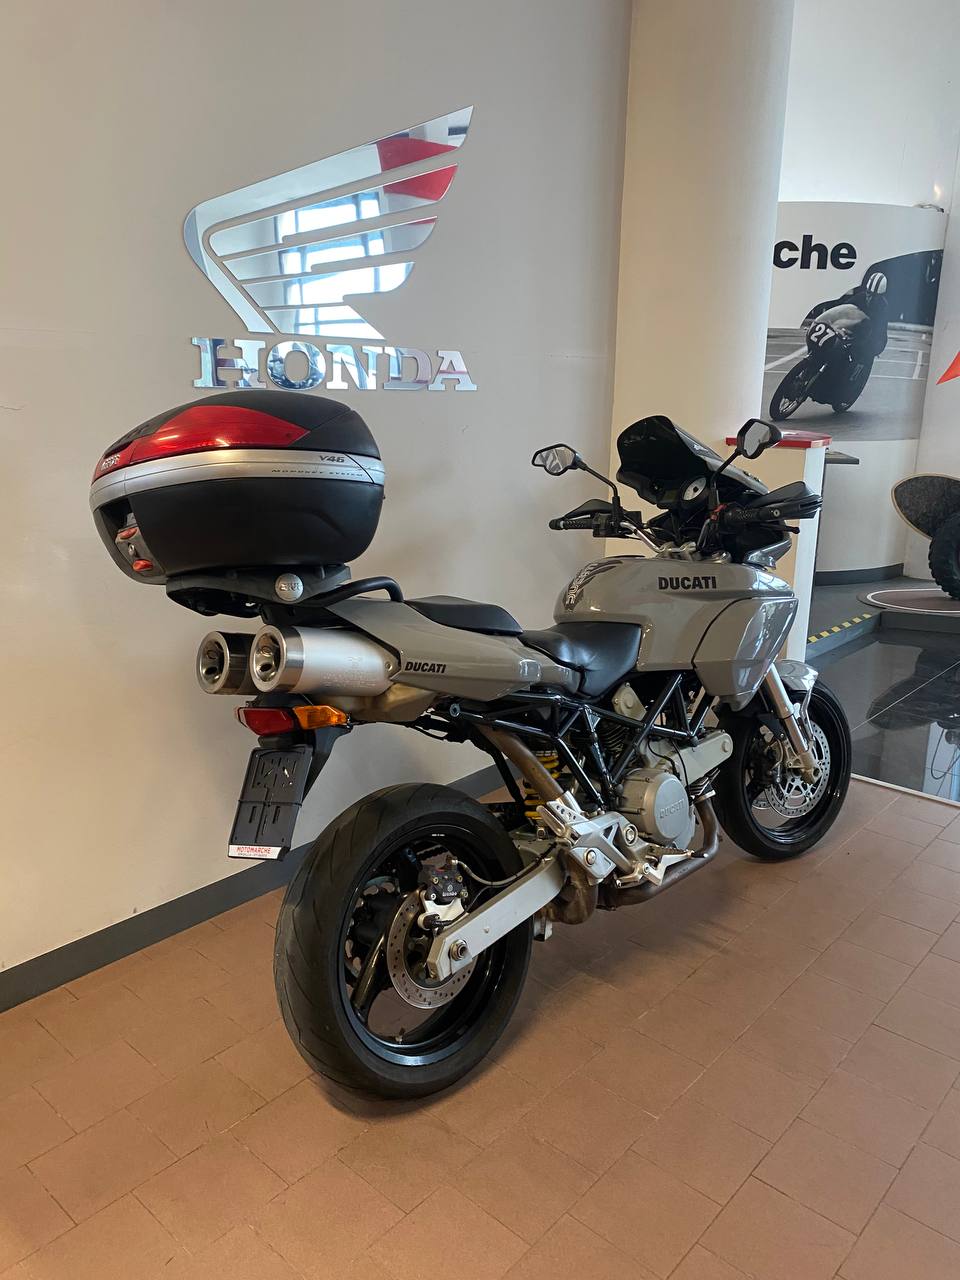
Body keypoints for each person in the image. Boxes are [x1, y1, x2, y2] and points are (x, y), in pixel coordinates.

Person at [805, 271, 889, 360]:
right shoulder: (860, 297)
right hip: (852, 331)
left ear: (881, 296)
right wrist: (831, 323)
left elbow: (879, 333)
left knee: (863, 356)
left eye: (875, 296)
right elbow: (841, 311)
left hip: (868, 337)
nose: (871, 299)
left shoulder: (883, 308)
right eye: (869, 293)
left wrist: (869, 348)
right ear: (866, 290)